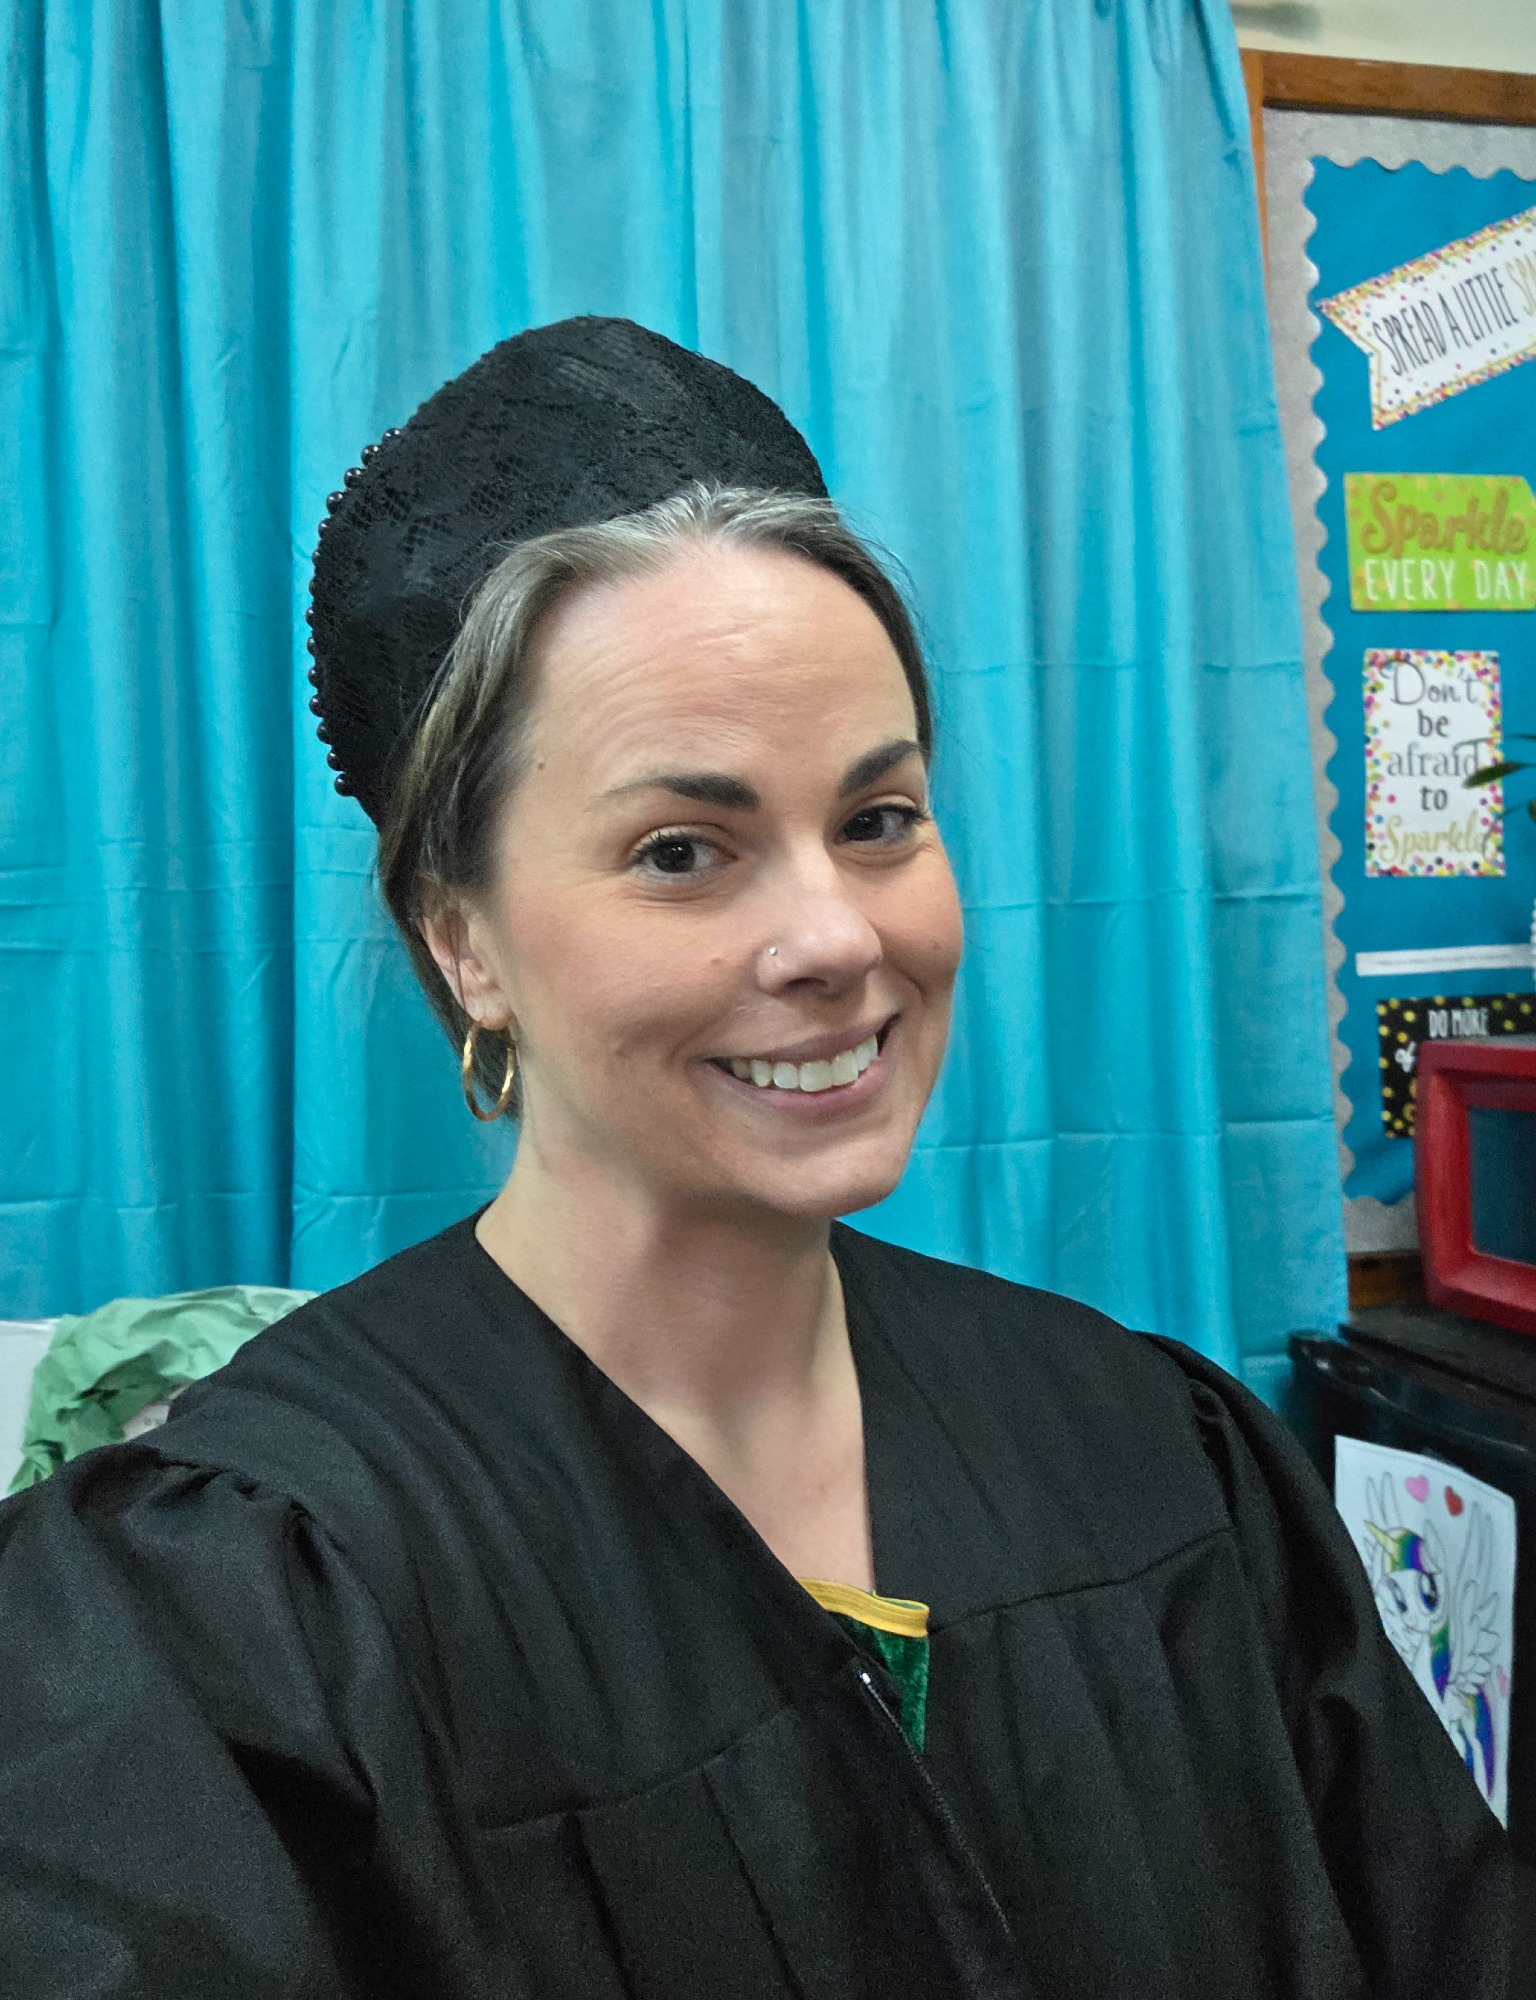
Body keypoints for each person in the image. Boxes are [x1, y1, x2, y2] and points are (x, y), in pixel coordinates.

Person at [0, 317, 1512, 1999]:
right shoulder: (240, 1609)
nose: (835, 937)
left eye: (877, 821)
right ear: (461, 939)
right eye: (681, 850)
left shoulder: (1156, 1453)